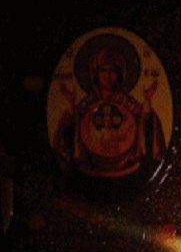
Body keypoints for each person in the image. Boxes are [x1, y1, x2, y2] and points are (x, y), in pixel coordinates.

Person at [53, 34, 165, 179]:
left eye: (113, 71)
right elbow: (69, 131)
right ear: (95, 74)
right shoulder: (88, 103)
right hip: (89, 170)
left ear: (120, 74)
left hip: (128, 168)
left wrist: (148, 102)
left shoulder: (127, 102)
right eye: (103, 70)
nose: (108, 76)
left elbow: (146, 123)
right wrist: (70, 104)